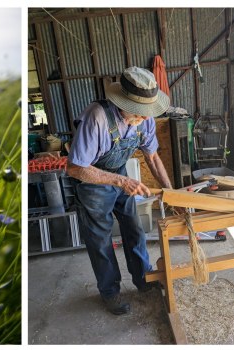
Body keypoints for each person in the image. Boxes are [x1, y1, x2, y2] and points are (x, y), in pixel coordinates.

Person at [66, 66, 173, 315]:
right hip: (92, 183)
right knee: (101, 240)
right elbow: (74, 168)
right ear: (123, 102)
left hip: (119, 176)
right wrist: (121, 182)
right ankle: (110, 292)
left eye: (148, 112)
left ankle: (142, 279)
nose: (146, 118)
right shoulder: (97, 119)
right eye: (140, 112)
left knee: (134, 228)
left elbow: (153, 157)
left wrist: (170, 192)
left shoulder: (143, 122)